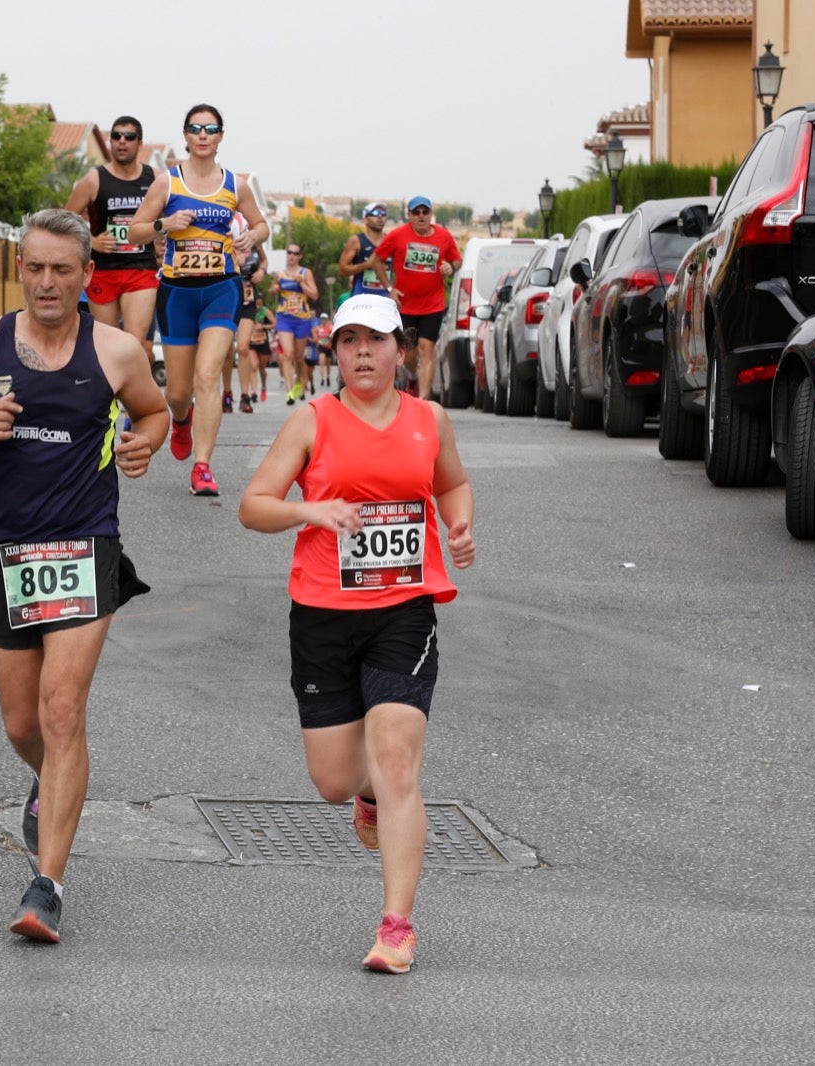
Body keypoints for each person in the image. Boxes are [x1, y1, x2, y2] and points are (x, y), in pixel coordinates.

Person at [0, 208, 170, 944]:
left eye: (63, 269)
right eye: (35, 267)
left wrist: (146, 445)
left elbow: (157, 414)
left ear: (88, 275)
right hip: (4, 552)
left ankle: (46, 886)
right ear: (20, 268)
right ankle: (52, 781)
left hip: (86, 549)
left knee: (61, 713)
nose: (48, 282)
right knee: (24, 725)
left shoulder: (117, 351)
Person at [237, 293, 475, 975]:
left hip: (405, 609)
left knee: (398, 758)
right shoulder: (312, 420)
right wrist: (310, 509)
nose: (363, 352)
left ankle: (396, 928)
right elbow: (254, 507)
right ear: (333, 351)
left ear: (400, 348)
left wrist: (459, 525)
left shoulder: (429, 420)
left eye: (376, 339)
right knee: (334, 780)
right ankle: (364, 795)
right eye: (349, 341)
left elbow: (453, 485)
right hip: (322, 615)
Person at [128, 104, 270, 497]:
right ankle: (181, 418)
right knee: (177, 391)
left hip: (221, 289)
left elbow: (262, 225)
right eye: (195, 128)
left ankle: (203, 467)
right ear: (186, 135)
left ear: (221, 136)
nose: (203, 134)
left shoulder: (234, 185)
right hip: (177, 293)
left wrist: (251, 237)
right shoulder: (167, 183)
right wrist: (164, 225)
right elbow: (134, 232)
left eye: (211, 128)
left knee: (208, 375)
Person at [65, 115, 161, 373]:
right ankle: (109, 404)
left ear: (139, 143)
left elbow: (170, 216)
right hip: (104, 272)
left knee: (135, 343)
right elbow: (65, 221)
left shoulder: (156, 179)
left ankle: (136, 409)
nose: (122, 141)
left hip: (141, 269)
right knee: (105, 345)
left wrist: (162, 241)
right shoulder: (94, 180)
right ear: (110, 143)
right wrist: (92, 242)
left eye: (129, 137)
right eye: (116, 136)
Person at [372, 196, 461, 401]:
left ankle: (423, 399)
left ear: (430, 214)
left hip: (433, 304)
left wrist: (451, 267)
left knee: (427, 349)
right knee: (410, 354)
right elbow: (377, 259)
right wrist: (389, 288)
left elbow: (456, 260)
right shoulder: (397, 236)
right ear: (409, 215)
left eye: (425, 212)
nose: (421, 216)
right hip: (405, 305)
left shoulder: (444, 237)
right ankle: (412, 376)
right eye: (416, 212)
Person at [227, 211, 266, 414]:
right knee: (225, 351)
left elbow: (264, 262)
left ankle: (244, 396)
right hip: (225, 297)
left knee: (242, 347)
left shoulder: (252, 239)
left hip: (248, 299)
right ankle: (227, 393)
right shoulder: (222, 236)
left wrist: (262, 272)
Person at [274, 243, 320, 404]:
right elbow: (273, 288)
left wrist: (301, 283)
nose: (292, 256)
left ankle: (299, 381)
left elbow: (314, 295)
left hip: (302, 319)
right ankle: (289, 391)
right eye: (289, 252)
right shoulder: (280, 273)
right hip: (284, 318)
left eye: (296, 253)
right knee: (288, 354)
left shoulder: (305, 273)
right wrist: (274, 288)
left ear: (300, 256)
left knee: (299, 358)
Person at [339, 201, 394, 299]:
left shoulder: (390, 241)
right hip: (362, 297)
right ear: (365, 220)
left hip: (386, 298)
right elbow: (342, 270)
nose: (380, 217)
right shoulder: (356, 241)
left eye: (383, 214)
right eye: (375, 214)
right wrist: (367, 265)